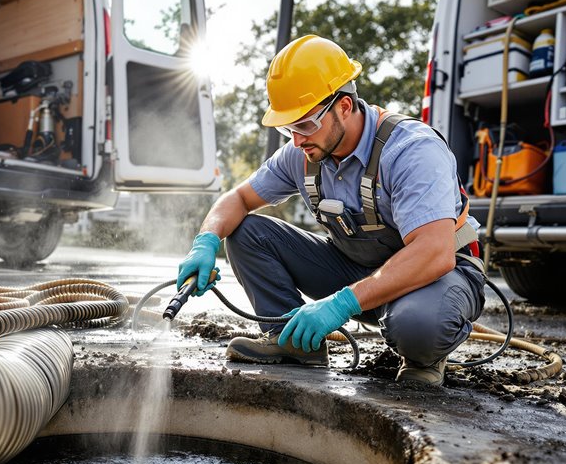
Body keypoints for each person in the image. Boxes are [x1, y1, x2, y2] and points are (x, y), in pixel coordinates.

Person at [176, 34, 485, 386]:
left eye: (305, 124)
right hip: (357, 270)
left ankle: (422, 357)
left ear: (344, 107)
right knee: (246, 232)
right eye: (288, 127)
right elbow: (238, 199)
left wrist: (340, 304)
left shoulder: (412, 151)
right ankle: (293, 341)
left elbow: (434, 252)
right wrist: (205, 240)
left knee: (417, 327)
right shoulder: (304, 152)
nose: (296, 139)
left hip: (434, 276)